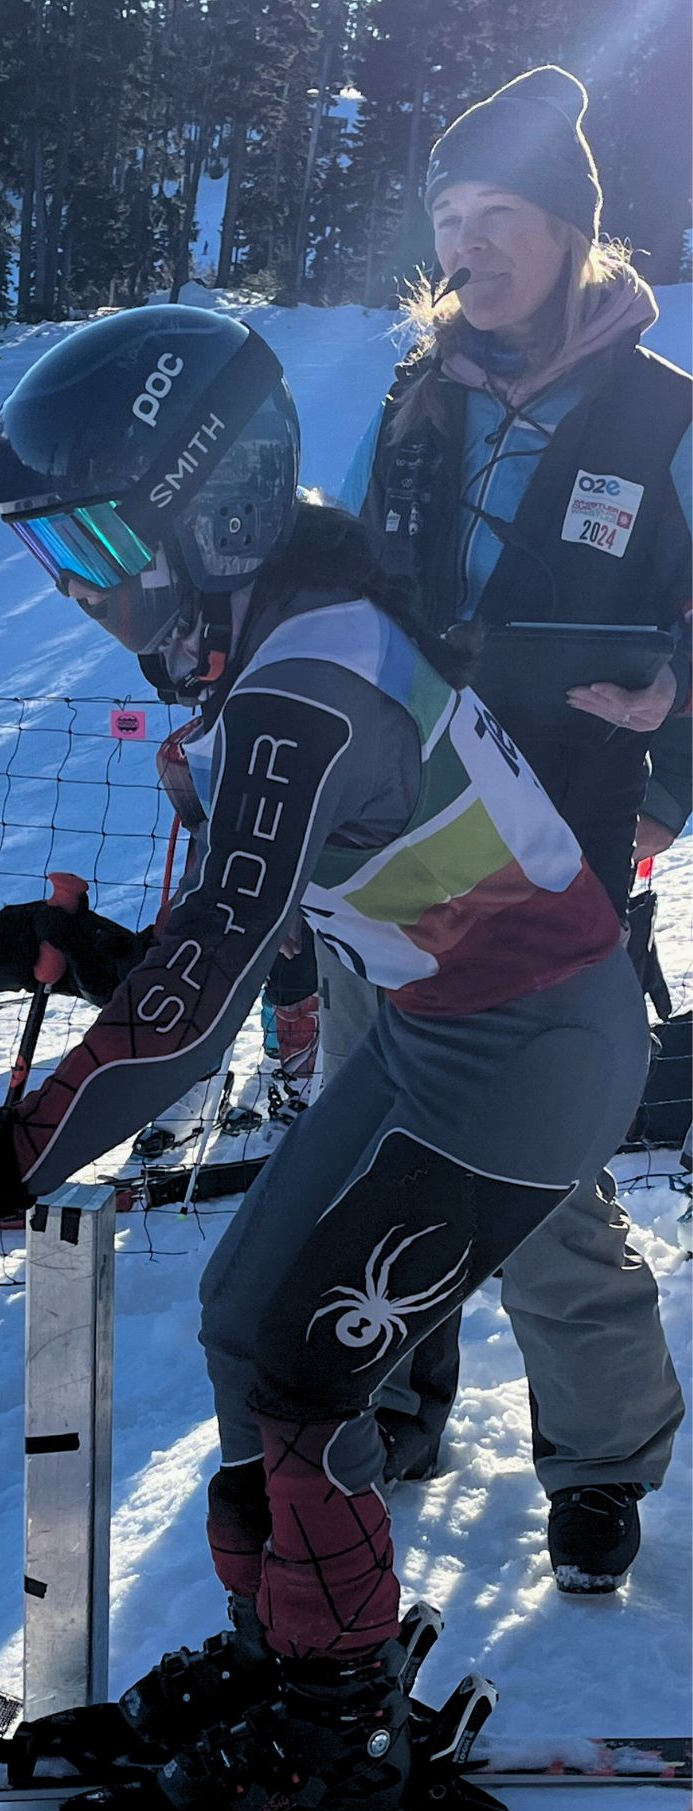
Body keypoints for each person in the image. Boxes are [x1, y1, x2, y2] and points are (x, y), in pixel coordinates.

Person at [0, 306, 651, 1811]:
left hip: (536, 1051)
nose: (82, 590)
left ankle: (337, 1721)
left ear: (218, 506)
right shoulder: (293, 637)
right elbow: (248, 934)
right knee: (247, 1318)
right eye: (56, 554)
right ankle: (291, 1656)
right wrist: (104, 956)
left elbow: (211, 984)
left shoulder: (305, 678)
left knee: (310, 1365)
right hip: (449, 1024)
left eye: (98, 541)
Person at [335, 64, 689, 1588]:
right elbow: (343, 591)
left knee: (538, 1165)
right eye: (448, 218)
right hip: (391, 832)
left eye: (499, 215)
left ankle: (601, 1460)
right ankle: (389, 1403)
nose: (468, 245)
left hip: (559, 844)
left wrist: (675, 711)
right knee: (372, 1144)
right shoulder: (414, 401)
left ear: (569, 232)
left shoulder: (663, 415)